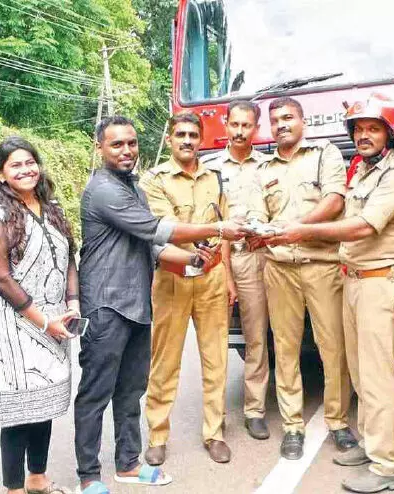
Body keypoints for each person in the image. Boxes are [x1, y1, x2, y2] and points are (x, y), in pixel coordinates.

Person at [74, 115, 243, 494]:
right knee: (96, 392)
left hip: (136, 302)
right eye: (116, 144)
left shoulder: (132, 186)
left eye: (132, 143)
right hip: (106, 304)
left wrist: (193, 260)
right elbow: (156, 230)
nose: (126, 150)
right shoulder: (104, 189)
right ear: (99, 146)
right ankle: (88, 476)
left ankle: (128, 464)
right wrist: (217, 229)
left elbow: (149, 244)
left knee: (131, 388)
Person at [267, 94, 394, 492]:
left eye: (373, 128)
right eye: (359, 129)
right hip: (356, 279)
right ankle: (370, 444)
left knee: (379, 376)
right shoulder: (364, 173)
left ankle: (386, 468)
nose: (364, 136)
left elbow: (364, 226)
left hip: (383, 282)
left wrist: (301, 229)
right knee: (363, 371)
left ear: (391, 132)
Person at [245, 96, 355, 460]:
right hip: (279, 269)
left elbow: (335, 202)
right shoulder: (262, 169)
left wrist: (295, 229)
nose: (282, 125)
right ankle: (292, 425)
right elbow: (258, 215)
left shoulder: (325, 154)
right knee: (286, 349)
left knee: (332, 348)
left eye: (288, 117)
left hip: (322, 264)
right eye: (275, 120)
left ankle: (338, 420)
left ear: (302, 121)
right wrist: (261, 230)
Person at [0, 136, 79, 494]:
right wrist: (42, 319)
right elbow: (0, 277)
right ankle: (14, 489)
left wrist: (73, 303)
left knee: (46, 400)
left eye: (29, 162)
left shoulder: (52, 208)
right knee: (20, 409)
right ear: (2, 174)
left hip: (55, 321)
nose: (25, 170)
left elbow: (69, 259)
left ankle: (38, 479)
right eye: (15, 165)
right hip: (16, 325)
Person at [139, 112, 239, 466]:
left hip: (211, 280)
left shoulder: (216, 178)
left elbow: (224, 232)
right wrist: (201, 247)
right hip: (172, 279)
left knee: (217, 359)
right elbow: (164, 229)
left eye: (193, 134)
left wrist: (225, 272)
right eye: (180, 134)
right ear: (169, 140)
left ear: (201, 139)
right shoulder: (154, 180)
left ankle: (215, 433)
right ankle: (157, 434)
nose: (186, 140)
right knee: (164, 362)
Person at [200, 100, 272, 440]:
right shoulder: (211, 169)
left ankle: (255, 410)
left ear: (256, 128)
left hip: (261, 258)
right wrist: (225, 273)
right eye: (235, 124)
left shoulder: (269, 166)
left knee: (257, 337)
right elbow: (211, 223)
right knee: (214, 341)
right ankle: (214, 418)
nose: (240, 131)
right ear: (226, 125)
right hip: (220, 260)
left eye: (248, 125)